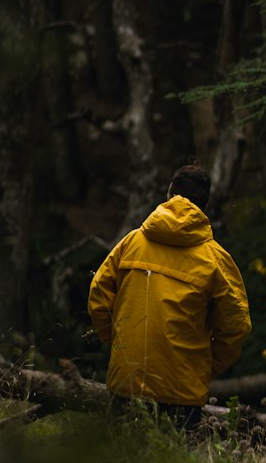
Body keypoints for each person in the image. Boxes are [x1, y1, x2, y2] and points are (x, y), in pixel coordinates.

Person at [88, 163, 251, 430]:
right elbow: (236, 326)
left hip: (127, 380)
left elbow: (98, 295)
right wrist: (206, 366)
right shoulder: (216, 260)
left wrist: (118, 343)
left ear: (169, 194)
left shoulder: (131, 242)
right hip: (181, 391)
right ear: (204, 206)